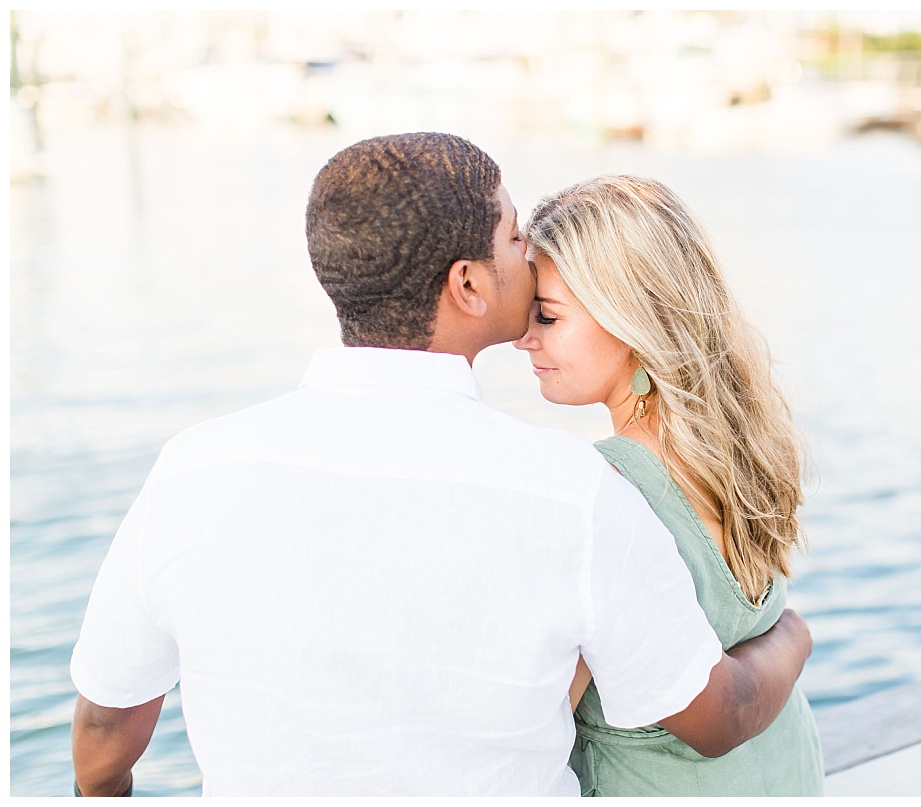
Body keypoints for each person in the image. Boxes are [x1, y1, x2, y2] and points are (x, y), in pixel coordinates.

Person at [68, 133, 815, 796]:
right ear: (467, 283)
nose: (526, 252)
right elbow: (712, 710)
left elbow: (105, 724)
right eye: (515, 234)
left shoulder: (191, 467)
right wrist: (793, 633)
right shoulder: (571, 492)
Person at [514, 174, 824, 796]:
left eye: (547, 316)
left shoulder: (600, 492)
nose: (525, 338)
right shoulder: (739, 445)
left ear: (630, 317)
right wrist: (794, 634)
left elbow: (533, 733)